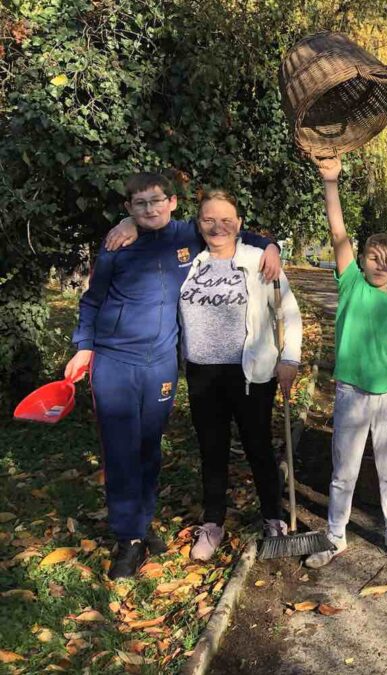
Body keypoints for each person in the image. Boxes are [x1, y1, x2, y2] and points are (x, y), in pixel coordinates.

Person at [67, 172, 280, 579]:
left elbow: (229, 228)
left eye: (156, 201)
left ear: (173, 203)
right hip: (115, 360)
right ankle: (127, 538)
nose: (150, 209)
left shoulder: (189, 234)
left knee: (148, 446)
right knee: (120, 448)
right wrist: (85, 346)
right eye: (139, 204)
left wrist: (270, 244)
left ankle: (141, 526)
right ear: (128, 208)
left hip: (162, 363)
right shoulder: (117, 244)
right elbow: (92, 300)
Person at [303, 155, 387, 568]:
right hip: (351, 394)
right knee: (344, 471)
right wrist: (330, 181)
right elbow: (338, 231)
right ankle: (335, 536)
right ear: (364, 259)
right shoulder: (350, 281)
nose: (380, 266)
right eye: (374, 257)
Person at [176, 189, 302, 561]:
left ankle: (272, 517)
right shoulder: (187, 262)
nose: (218, 227)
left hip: (251, 374)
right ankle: (213, 522)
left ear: (239, 225)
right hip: (201, 374)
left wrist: (290, 360)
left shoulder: (259, 259)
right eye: (209, 220)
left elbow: (287, 313)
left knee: (259, 447)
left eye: (226, 220)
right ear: (198, 224)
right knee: (211, 451)